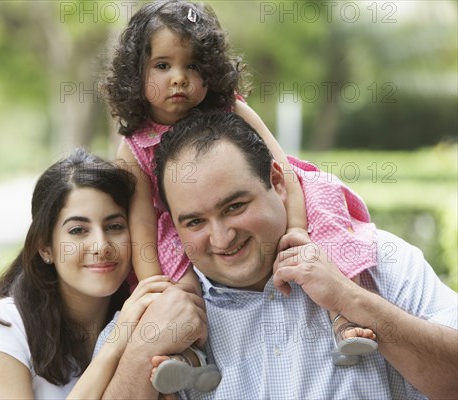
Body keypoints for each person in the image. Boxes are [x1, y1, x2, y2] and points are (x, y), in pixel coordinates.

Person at [103, 0, 376, 392]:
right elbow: (142, 221)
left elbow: (281, 168)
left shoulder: (230, 107)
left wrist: (297, 230)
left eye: (192, 66)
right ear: (136, 75)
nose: (178, 78)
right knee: (181, 286)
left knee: (324, 204)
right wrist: (156, 287)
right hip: (187, 227)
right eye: (162, 66)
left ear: (210, 70)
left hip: (267, 199)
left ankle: (344, 316)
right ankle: (189, 356)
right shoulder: (135, 146)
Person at [99, 111, 458, 399]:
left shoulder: (376, 262)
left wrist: (349, 297)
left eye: (235, 206)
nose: (222, 237)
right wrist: (141, 352)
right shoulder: (151, 313)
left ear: (278, 181)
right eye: (194, 222)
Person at [0, 148, 177, 399]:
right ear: (45, 247)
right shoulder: (1, 326)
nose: (101, 246)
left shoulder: (143, 315)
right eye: (78, 230)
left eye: (115, 226)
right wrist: (116, 343)